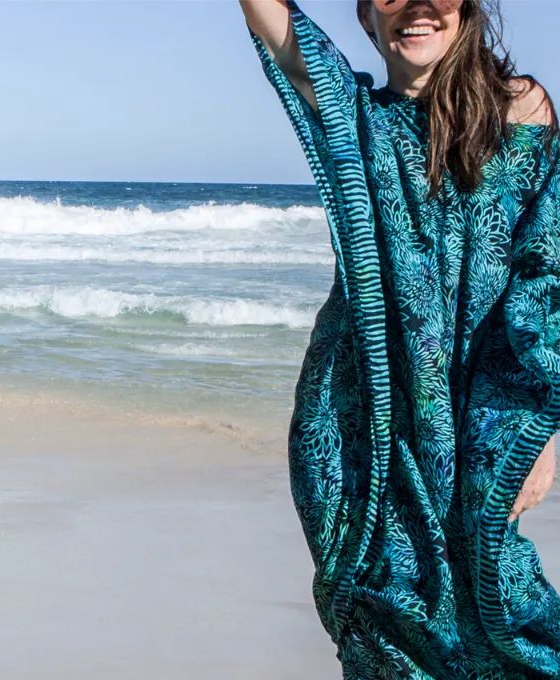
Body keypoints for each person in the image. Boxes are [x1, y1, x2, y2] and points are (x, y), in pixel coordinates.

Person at [238, 0, 560, 676]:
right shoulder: (353, 114)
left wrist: (545, 433)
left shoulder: (523, 109)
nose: (415, 9)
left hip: (481, 413)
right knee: (381, 610)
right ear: (364, 15)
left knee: (499, 609)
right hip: (360, 423)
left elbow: (547, 271)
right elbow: (270, 19)